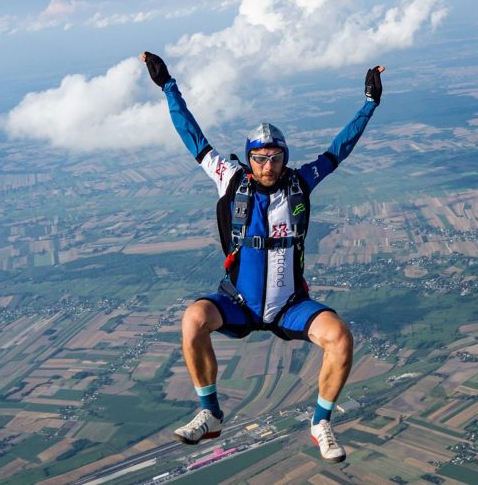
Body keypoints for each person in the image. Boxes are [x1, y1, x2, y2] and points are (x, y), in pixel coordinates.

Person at [141, 51, 384, 463]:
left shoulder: (300, 184)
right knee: (193, 320)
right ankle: (210, 412)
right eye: (259, 157)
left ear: (284, 157)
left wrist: (369, 105)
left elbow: (338, 150)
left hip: (289, 305)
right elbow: (192, 137)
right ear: (248, 157)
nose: (267, 164)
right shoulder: (229, 179)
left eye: (274, 156)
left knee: (340, 337)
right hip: (239, 302)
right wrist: (168, 86)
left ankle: (321, 422)